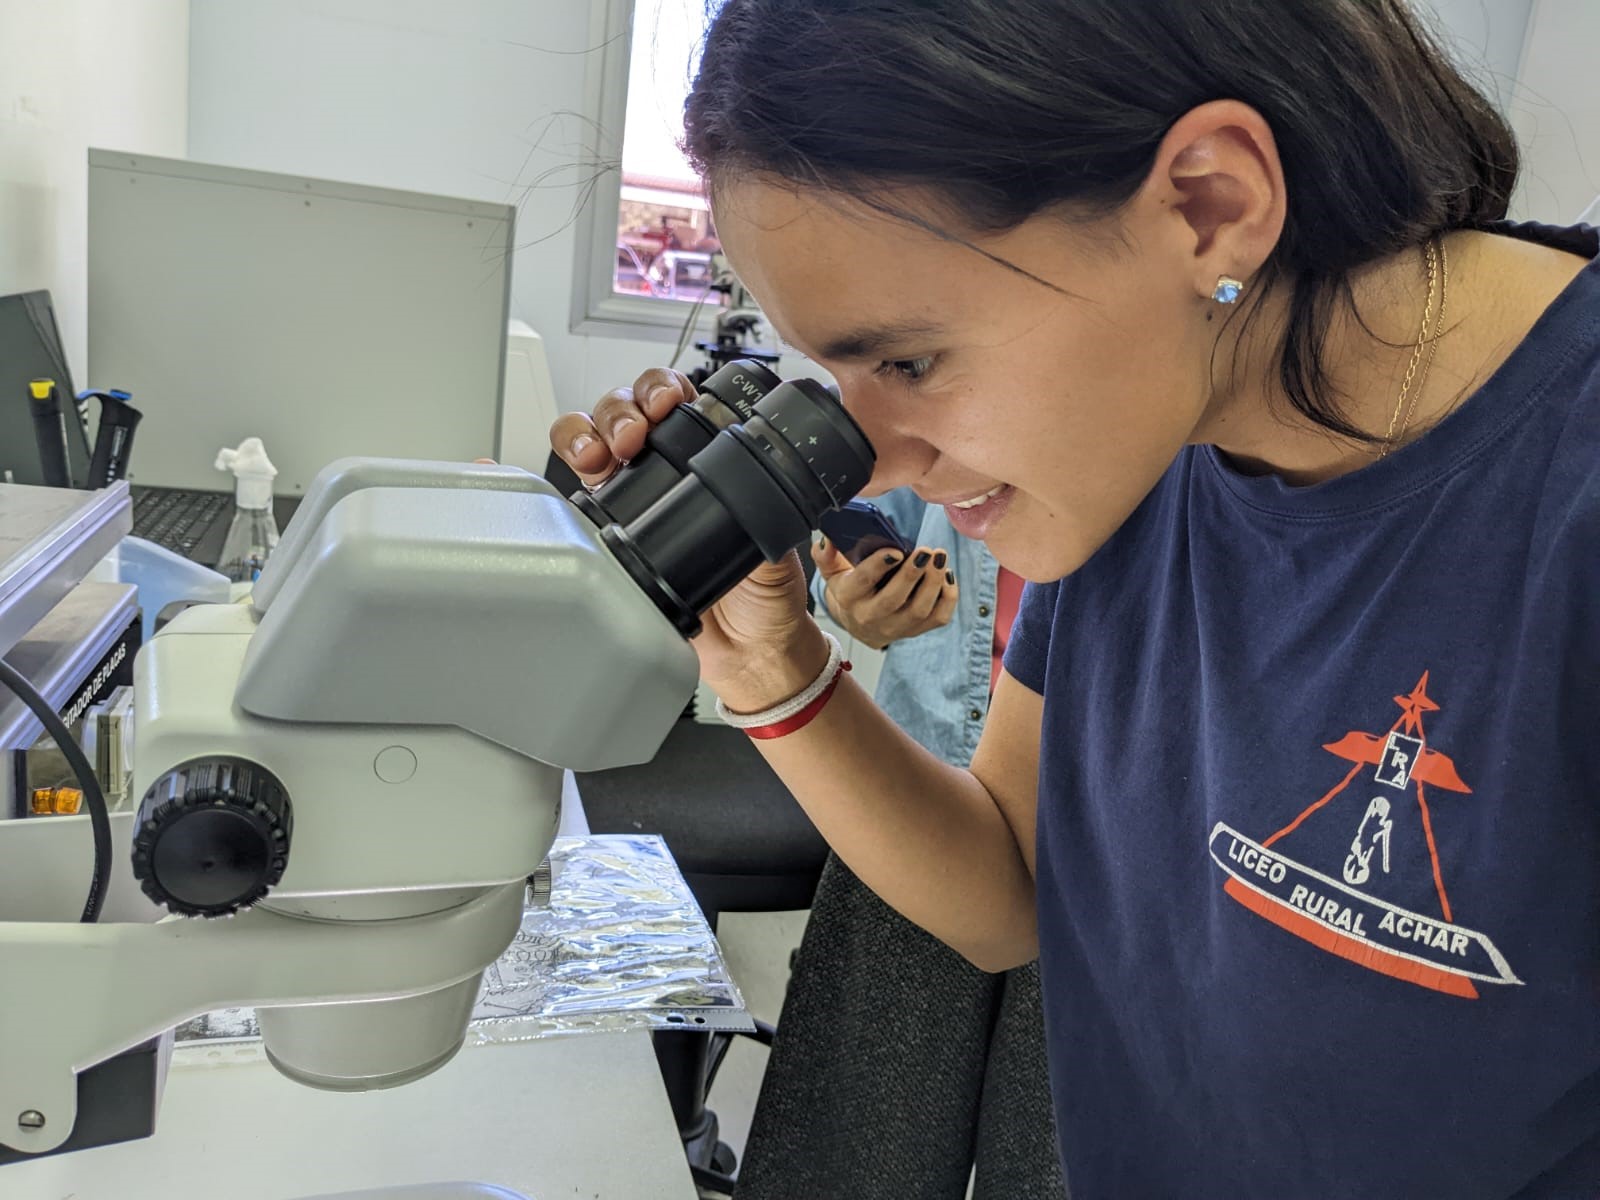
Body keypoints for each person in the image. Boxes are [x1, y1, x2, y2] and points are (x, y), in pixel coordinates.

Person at [552, 1, 1600, 1194]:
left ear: (1210, 204)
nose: (879, 463)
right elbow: (1010, 892)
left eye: (909, 361)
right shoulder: (1145, 434)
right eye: (837, 377)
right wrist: (768, 668)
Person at [734, 494, 1063, 1199]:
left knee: (1056, 1161)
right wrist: (853, 602)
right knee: (854, 1142)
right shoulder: (931, 428)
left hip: (1113, 833)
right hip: (920, 773)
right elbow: (865, 539)